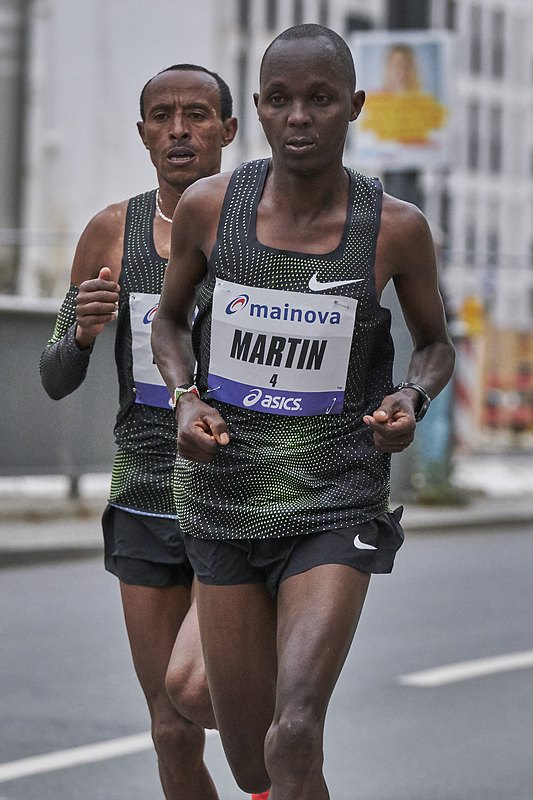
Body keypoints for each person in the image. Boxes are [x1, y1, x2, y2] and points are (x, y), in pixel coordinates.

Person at [151, 24, 455, 800]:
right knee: (257, 764)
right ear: (256, 108)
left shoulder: (393, 228)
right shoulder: (210, 208)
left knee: (294, 735)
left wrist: (409, 397)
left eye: (319, 100)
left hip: (333, 495)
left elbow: (433, 347)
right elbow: (169, 321)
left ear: (352, 107)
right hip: (226, 497)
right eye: (280, 100)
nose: (298, 117)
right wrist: (186, 400)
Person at [40, 64, 238, 800]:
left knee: (232, 710)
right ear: (143, 133)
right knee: (169, 726)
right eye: (161, 115)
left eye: (195, 114)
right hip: (146, 492)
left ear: (228, 129)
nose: (178, 129)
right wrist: (81, 335)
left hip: (240, 493)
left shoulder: (262, 223)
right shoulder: (109, 232)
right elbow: (55, 374)